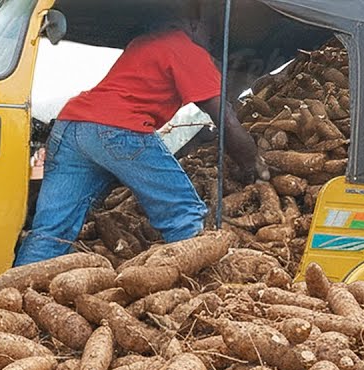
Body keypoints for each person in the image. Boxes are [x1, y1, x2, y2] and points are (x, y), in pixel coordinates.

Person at [14, 14, 266, 266]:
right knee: (184, 214)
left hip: (70, 127)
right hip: (117, 130)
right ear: (193, 24)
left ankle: (10, 293)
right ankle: (207, 285)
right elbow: (227, 121)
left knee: (51, 230)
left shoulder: (147, 42)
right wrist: (251, 164)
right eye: (210, 34)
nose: (212, 42)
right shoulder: (189, 52)